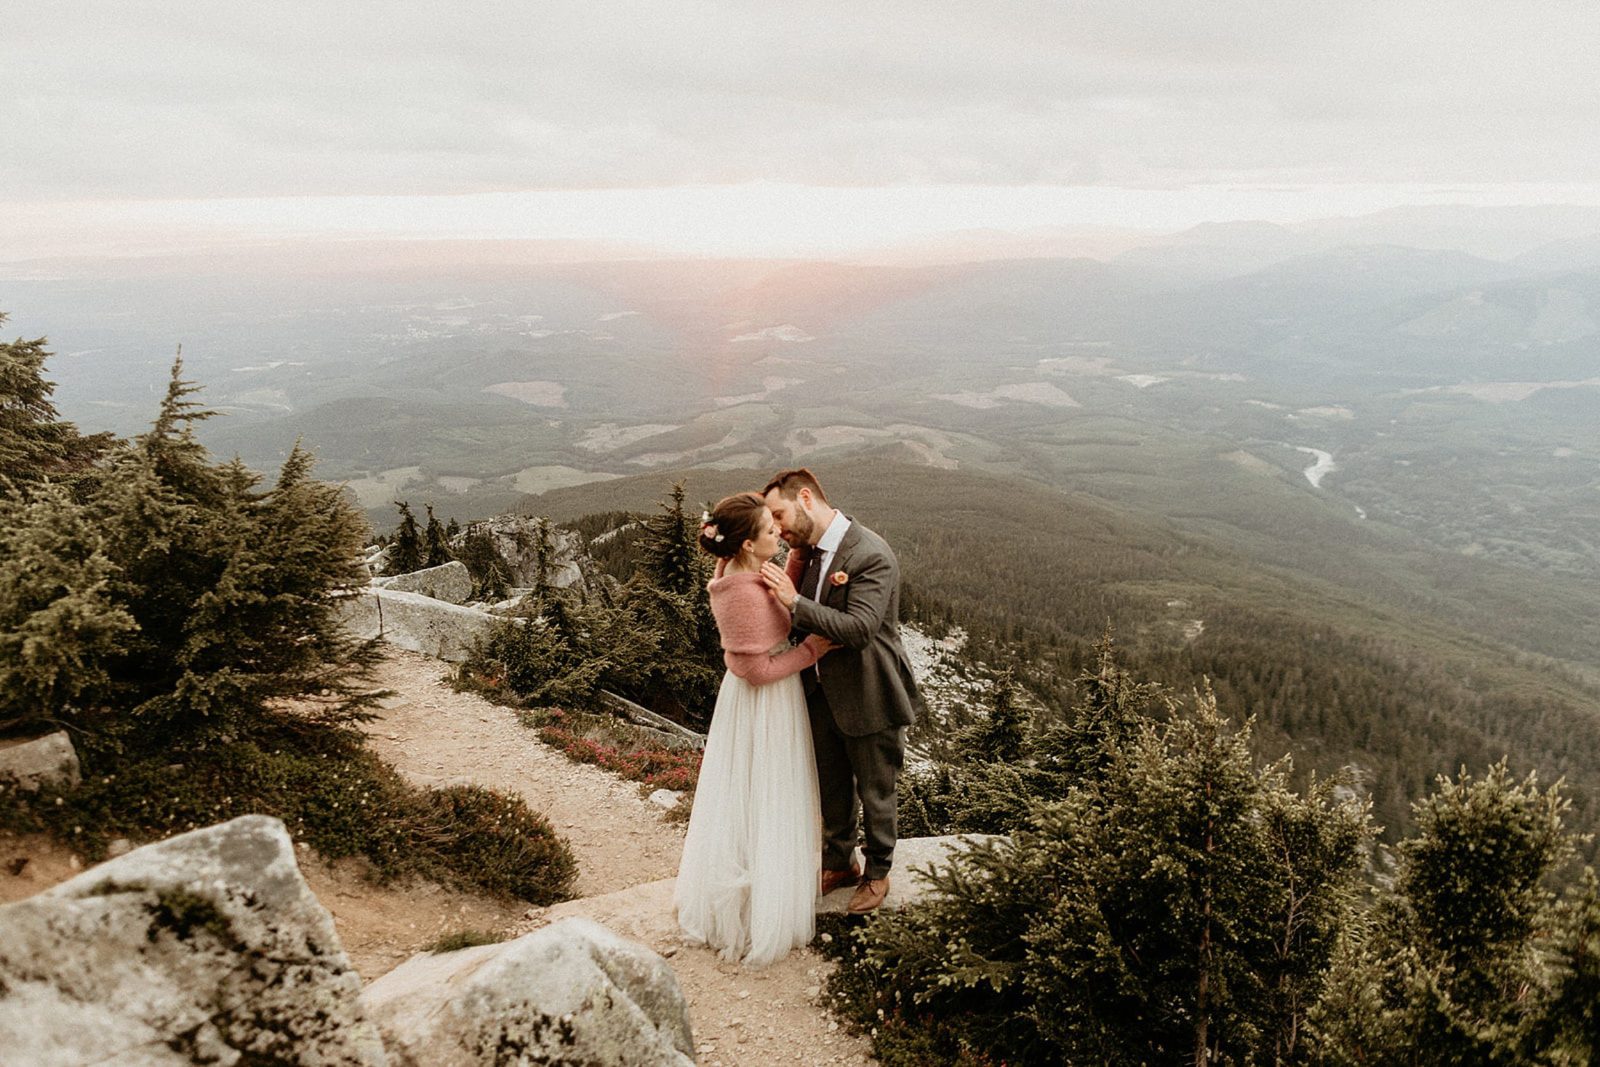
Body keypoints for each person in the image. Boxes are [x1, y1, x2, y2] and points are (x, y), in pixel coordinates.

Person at [674, 492, 837, 966]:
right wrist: (811, 652)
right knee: (767, 793)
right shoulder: (739, 592)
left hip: (768, 697)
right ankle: (757, 912)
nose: (778, 535)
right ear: (746, 544)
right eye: (770, 531)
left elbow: (772, 602)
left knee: (754, 794)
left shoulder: (742, 572)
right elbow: (752, 669)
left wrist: (798, 558)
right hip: (764, 703)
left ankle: (758, 888)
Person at [760, 468, 921, 915]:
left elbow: (860, 629)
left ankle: (878, 873)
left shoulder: (871, 554)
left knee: (876, 789)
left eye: (780, 514)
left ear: (806, 498)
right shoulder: (805, 552)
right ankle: (839, 863)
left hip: (870, 691)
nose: (778, 528)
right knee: (831, 787)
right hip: (819, 692)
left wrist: (794, 602)